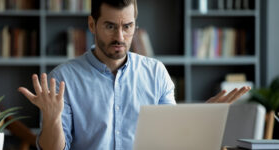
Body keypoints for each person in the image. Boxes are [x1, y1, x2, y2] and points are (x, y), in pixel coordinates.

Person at [18, 0, 251, 149]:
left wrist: (200, 118)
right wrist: (52, 119)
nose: (120, 36)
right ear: (92, 24)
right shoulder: (64, 78)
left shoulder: (156, 73)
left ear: (135, 26)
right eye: (110, 26)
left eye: (127, 26)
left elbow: (169, 141)